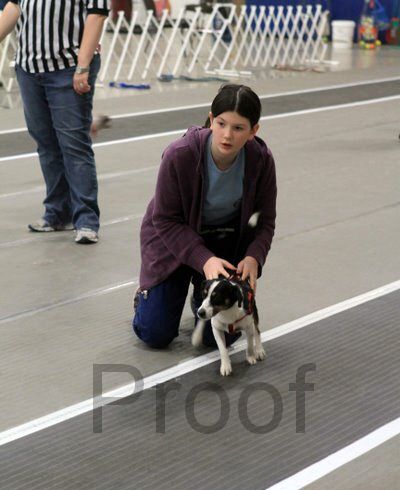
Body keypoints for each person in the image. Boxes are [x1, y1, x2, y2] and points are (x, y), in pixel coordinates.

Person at [133, 84, 277, 348]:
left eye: (238, 128)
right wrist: (204, 260)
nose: (227, 135)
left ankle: (201, 293)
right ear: (211, 119)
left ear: (254, 130)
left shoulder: (261, 160)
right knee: (155, 334)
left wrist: (254, 256)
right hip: (172, 240)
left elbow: (265, 221)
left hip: (223, 242)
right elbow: (165, 220)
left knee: (220, 337)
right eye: (221, 124)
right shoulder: (180, 154)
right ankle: (147, 296)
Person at [0, 1, 110, 244]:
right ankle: (57, 213)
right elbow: (14, 7)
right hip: (29, 68)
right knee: (46, 144)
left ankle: (86, 220)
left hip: (68, 67)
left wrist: (83, 66)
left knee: (74, 146)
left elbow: (97, 15)